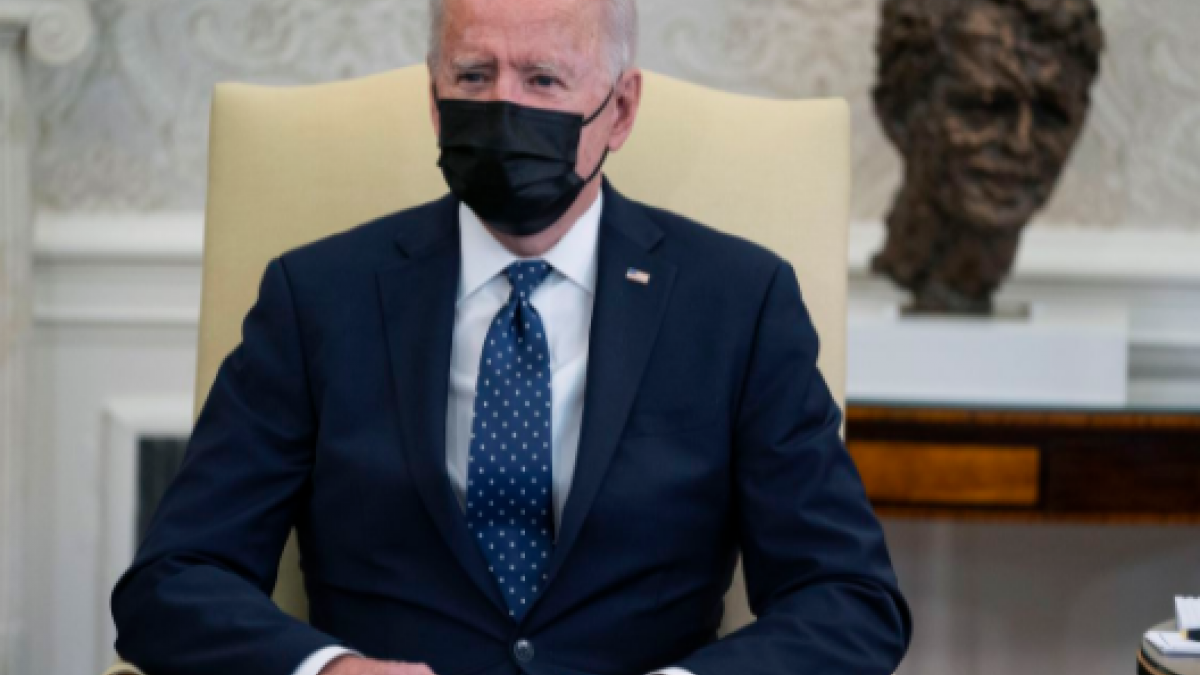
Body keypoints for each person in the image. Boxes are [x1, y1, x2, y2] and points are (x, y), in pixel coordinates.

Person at [110, 1, 912, 674]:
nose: (502, 106)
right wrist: (329, 670)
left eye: (543, 79)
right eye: (473, 75)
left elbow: (849, 598)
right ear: (434, 100)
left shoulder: (738, 303)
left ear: (621, 109)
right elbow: (174, 579)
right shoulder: (317, 297)